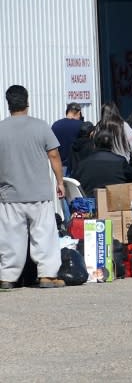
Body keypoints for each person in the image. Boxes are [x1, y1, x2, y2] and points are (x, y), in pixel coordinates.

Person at [0, 85, 65, 289]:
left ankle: (8, 277)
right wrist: (60, 182)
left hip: (9, 194)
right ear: (27, 102)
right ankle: (47, 275)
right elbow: (54, 155)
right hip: (39, 193)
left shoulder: (1, 128)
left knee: (11, 238)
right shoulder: (41, 126)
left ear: (8, 104)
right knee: (44, 235)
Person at [71, 131, 132, 197]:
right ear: (112, 145)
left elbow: (74, 182)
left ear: (94, 144)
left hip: (91, 202)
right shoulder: (121, 161)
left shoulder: (83, 163)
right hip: (115, 200)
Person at [51, 102, 83, 175]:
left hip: (61, 166)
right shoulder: (81, 125)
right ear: (79, 113)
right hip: (77, 166)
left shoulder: (56, 125)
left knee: (62, 185)